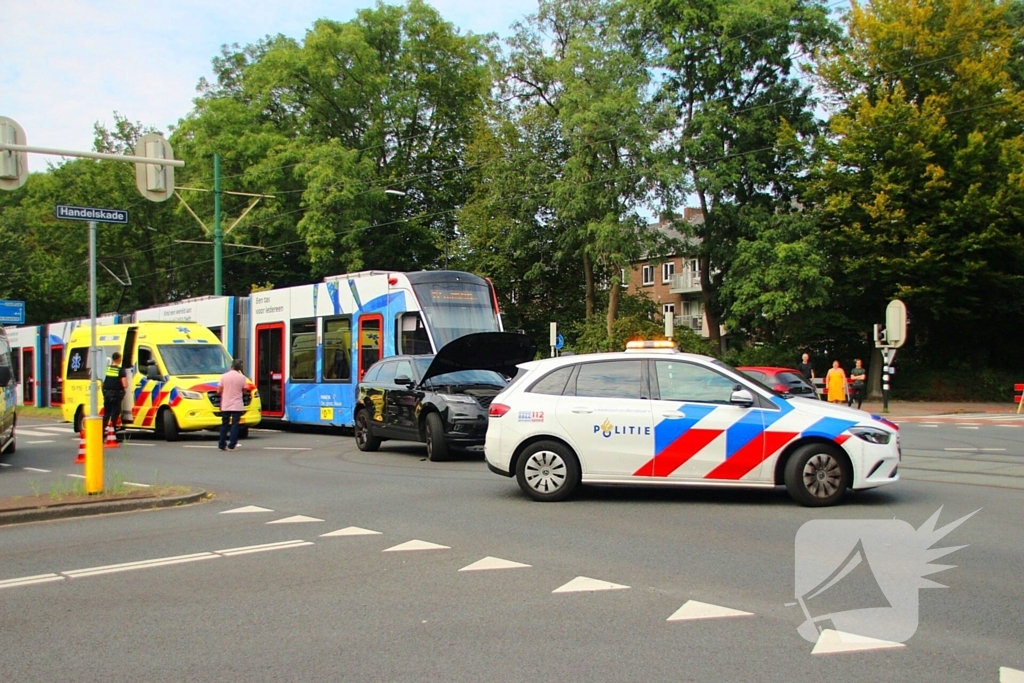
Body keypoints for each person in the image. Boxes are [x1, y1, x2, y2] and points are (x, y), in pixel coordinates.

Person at [217, 359, 247, 451]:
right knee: (235, 425)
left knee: (224, 424)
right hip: (237, 405)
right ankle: (232, 444)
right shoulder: (242, 378)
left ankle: (222, 444)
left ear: (231, 366)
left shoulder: (224, 376)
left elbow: (219, 391)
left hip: (226, 404)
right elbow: (244, 391)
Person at [102, 351, 128, 435]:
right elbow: (125, 385)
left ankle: (101, 432)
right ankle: (112, 433)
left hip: (107, 393)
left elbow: (103, 382)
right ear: (119, 359)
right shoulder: (120, 370)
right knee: (115, 413)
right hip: (116, 394)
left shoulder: (107, 369)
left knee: (107, 414)